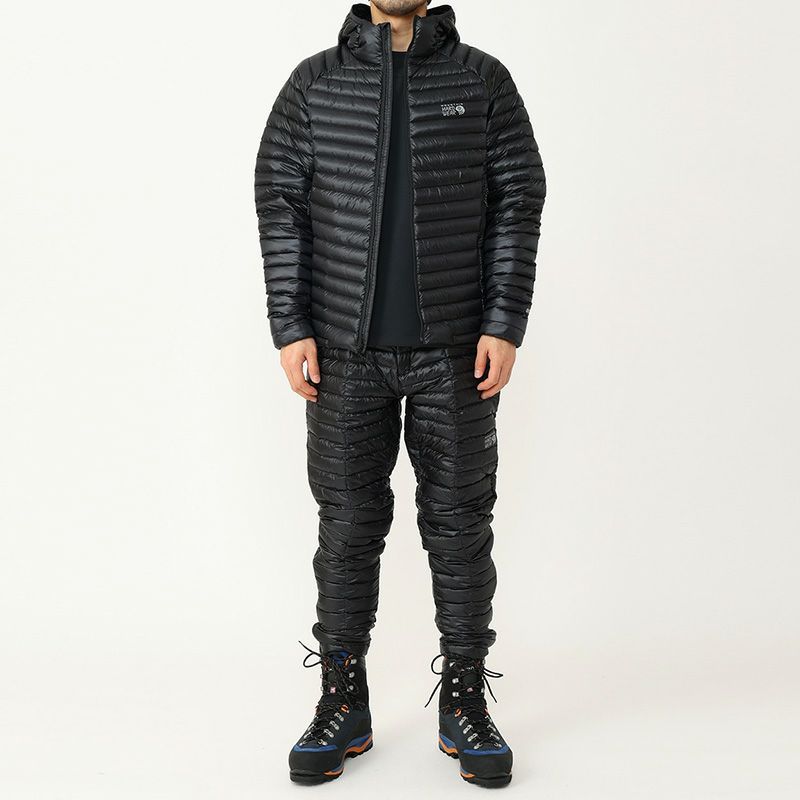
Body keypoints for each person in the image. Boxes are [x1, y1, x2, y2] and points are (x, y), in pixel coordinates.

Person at [254, 0, 545, 787]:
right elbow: (280, 206)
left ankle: (464, 700)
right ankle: (342, 701)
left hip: (456, 351)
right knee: (347, 529)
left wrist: (504, 320)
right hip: (342, 356)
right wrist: (291, 325)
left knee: (460, 527)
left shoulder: (481, 81)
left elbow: (519, 200)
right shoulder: (314, 85)